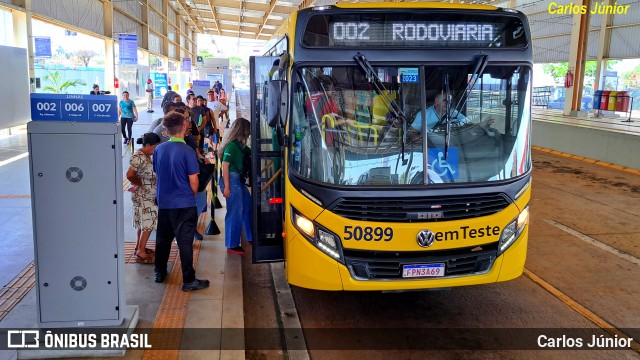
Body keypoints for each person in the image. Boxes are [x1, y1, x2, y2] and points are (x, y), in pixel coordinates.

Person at [152, 111, 209, 291]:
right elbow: (194, 181)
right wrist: (190, 194)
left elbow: (157, 174)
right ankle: (188, 280)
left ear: (166, 130)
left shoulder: (159, 149)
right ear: (184, 127)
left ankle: (159, 272)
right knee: (184, 243)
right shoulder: (187, 151)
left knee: (162, 240)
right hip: (184, 204)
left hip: (164, 203)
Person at [219, 117, 253, 255]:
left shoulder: (241, 146)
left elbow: (253, 153)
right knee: (235, 211)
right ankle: (232, 244)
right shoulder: (232, 146)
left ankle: (251, 236)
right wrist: (227, 187)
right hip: (231, 180)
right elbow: (225, 166)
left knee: (247, 206)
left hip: (237, 180)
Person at [127, 132, 161, 264]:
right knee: (149, 222)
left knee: (143, 222)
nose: (155, 149)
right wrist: (138, 183)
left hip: (147, 195)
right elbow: (130, 174)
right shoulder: (139, 157)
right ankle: (141, 252)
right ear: (147, 145)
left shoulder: (146, 155)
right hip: (144, 196)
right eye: (154, 147)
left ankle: (139, 247)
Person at [411, 93, 494, 132]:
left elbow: (466, 123)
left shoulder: (453, 113)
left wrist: (481, 124)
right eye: (445, 101)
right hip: (429, 145)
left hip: (450, 142)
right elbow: (412, 131)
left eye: (450, 102)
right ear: (436, 102)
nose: (448, 104)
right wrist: (420, 140)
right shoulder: (423, 115)